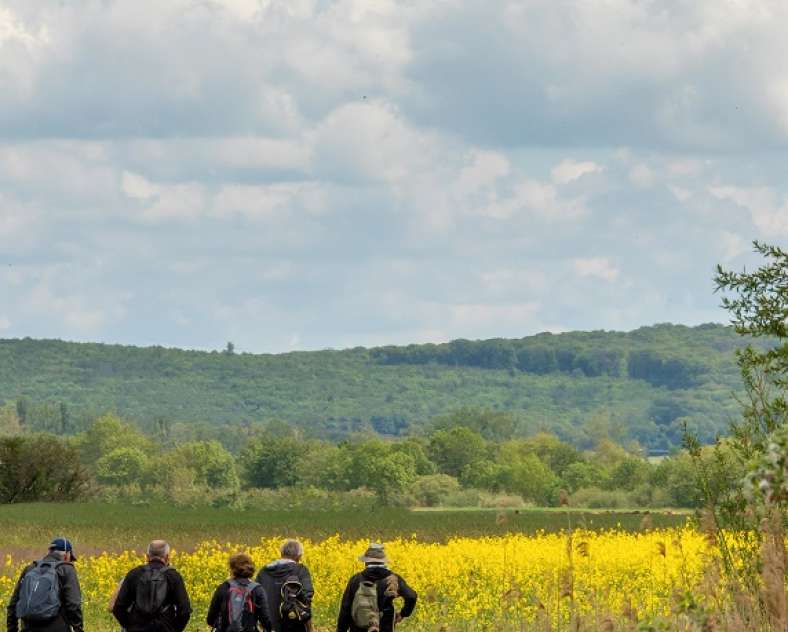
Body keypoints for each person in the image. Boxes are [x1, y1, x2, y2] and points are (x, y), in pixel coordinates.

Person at [6, 537, 84, 632]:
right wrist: (78, 628)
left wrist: (12, 629)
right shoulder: (66, 569)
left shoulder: (30, 568)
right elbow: (74, 604)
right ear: (67, 555)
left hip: (28, 629)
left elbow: (13, 604)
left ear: (49, 552)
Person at [112, 540, 191, 632]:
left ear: (147, 557)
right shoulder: (173, 576)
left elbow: (118, 608)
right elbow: (185, 611)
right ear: (167, 557)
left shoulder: (134, 574)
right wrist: (173, 629)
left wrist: (131, 625)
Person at [336, 543, 417, 632]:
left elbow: (345, 610)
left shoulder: (355, 580)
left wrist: (341, 630)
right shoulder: (393, 579)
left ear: (366, 562)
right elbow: (411, 596)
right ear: (383, 561)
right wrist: (403, 614)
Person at [256, 540, 314, 632]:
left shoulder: (263, 572)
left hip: (270, 628)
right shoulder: (301, 571)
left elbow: (256, 600)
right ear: (299, 556)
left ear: (281, 553)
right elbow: (306, 601)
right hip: (295, 626)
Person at [206, 553, 272, 632]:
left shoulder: (223, 588)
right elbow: (265, 620)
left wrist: (223, 625)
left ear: (232, 569)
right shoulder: (257, 589)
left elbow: (210, 619)